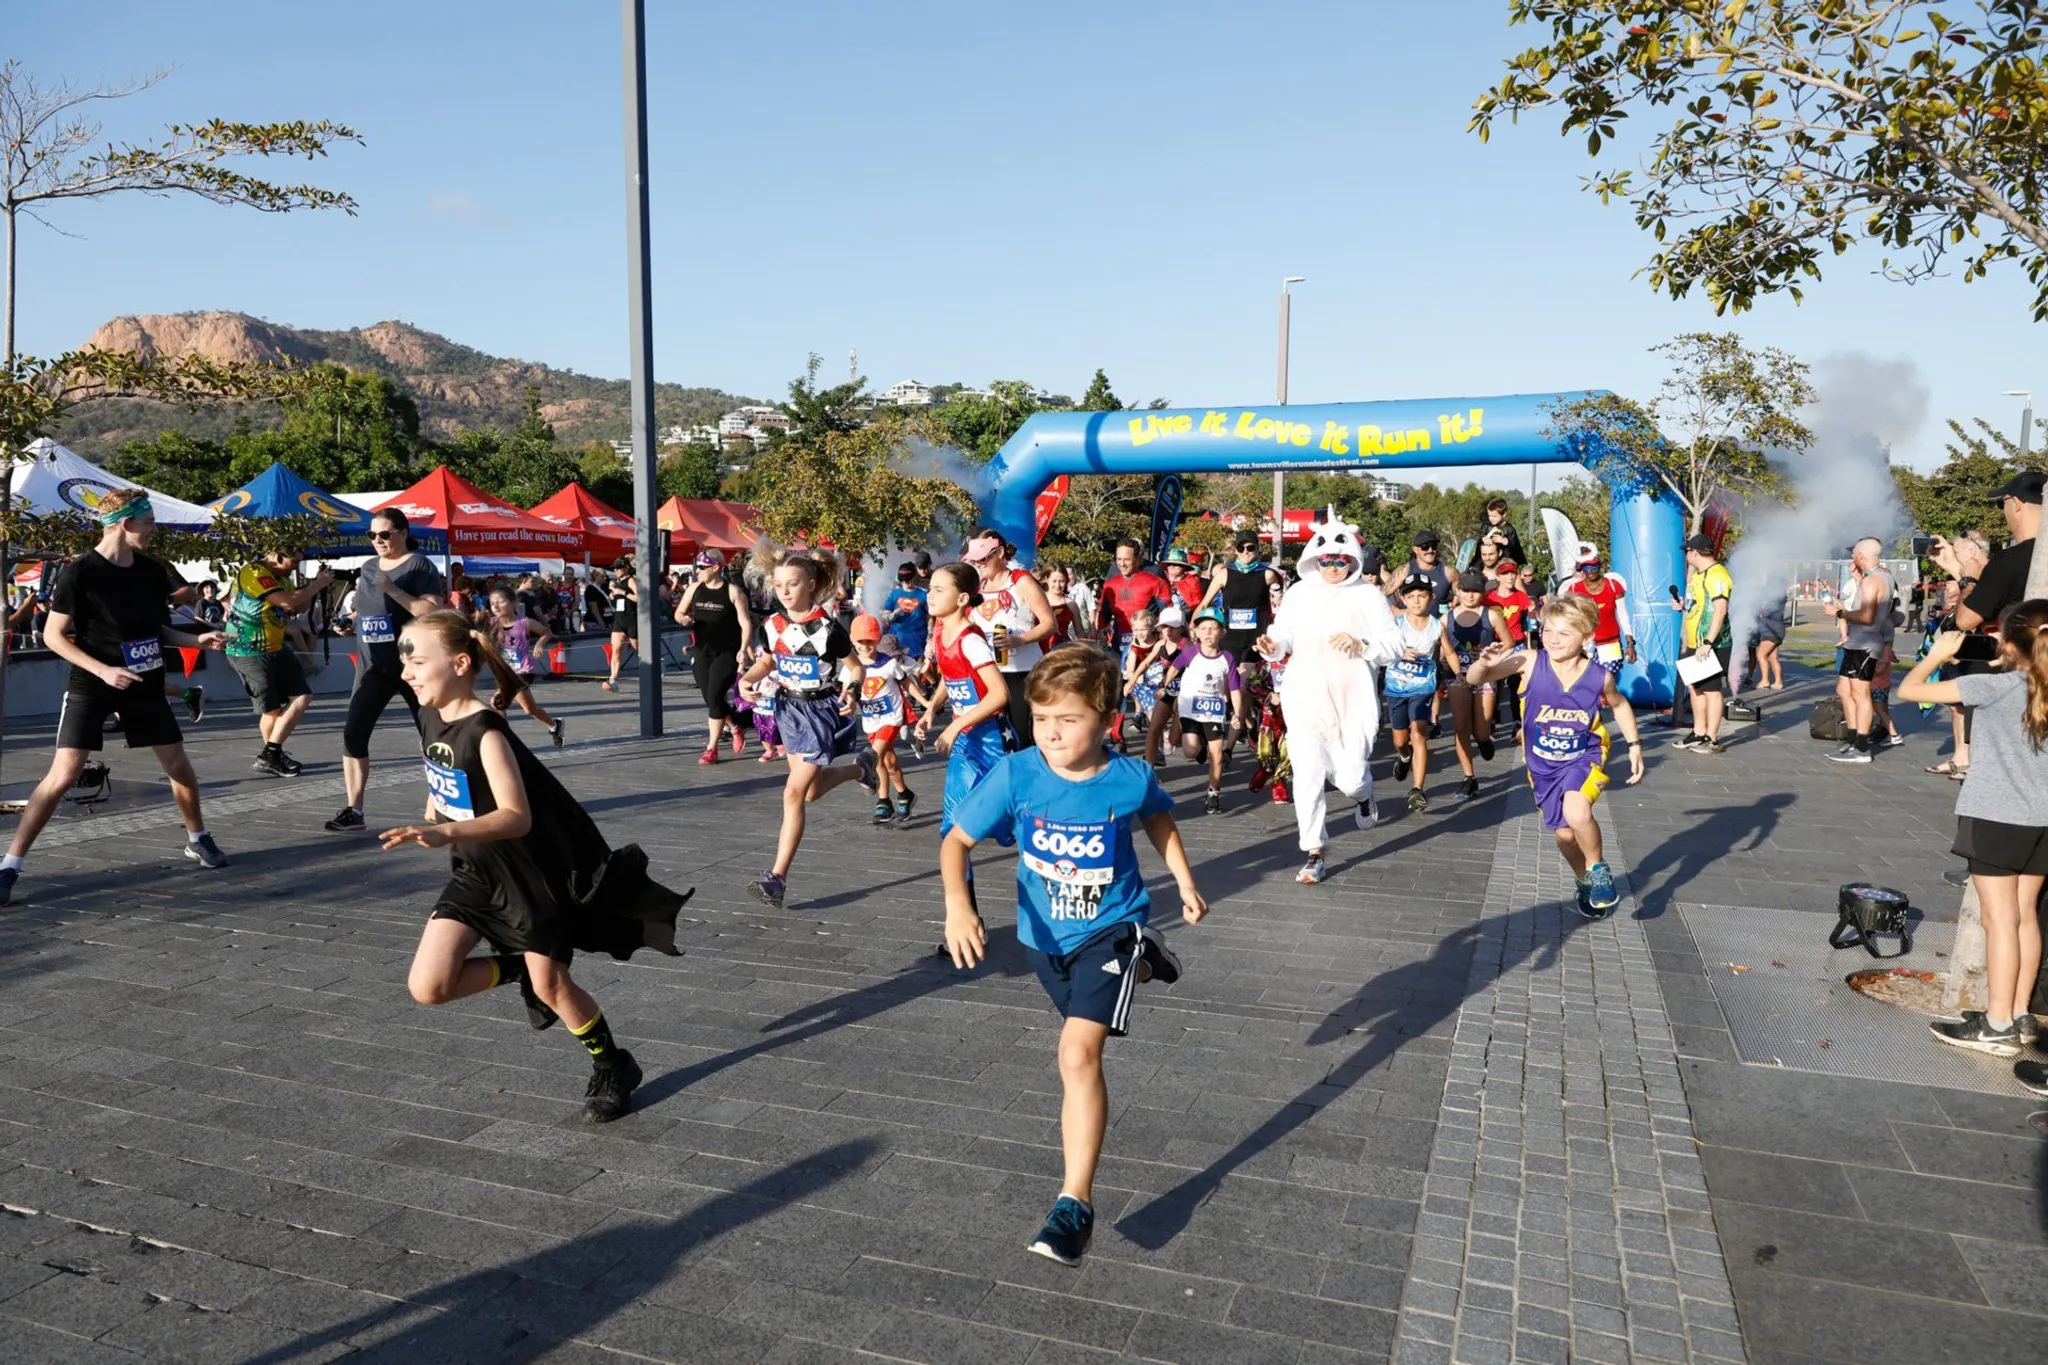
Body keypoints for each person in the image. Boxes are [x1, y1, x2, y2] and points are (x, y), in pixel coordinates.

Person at [940, 646, 1207, 1265]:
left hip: (1110, 927)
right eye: (1041, 718)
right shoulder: (1016, 774)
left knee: (1077, 1054)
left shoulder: (1130, 777)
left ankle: (1074, 1204)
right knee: (1078, 1043)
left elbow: (1158, 819)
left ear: (1107, 721)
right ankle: (1145, 962)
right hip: (1043, 941)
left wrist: (1185, 881)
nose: (1051, 732)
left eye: (1068, 719)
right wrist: (957, 905)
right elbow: (956, 841)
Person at [382, 610, 689, 1122]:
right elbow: (443, 774)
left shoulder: (487, 732)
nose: (405, 672)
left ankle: (613, 1064)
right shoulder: (429, 715)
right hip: (475, 874)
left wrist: (445, 832)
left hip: (528, 883)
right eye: (403, 662)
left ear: (459, 664)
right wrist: (434, 811)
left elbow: (516, 816)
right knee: (428, 987)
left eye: (416, 661)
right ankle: (516, 968)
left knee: (553, 987)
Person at [0, 491, 230, 907]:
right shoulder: (80, 572)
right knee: (63, 774)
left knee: (178, 764)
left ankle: (198, 838)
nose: (154, 529)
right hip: (93, 681)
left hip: (144, 679)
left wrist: (197, 640)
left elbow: (157, 631)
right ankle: (10, 865)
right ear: (126, 524)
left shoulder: (152, 571)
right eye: (149, 522)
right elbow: (53, 636)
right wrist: (103, 670)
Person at [1898, 610, 2048, 1079]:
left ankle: (1997, 1025)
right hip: (2043, 820)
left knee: (1999, 920)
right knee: (2025, 914)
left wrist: (1938, 655)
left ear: (2010, 644)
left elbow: (1910, 691)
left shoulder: (1993, 686)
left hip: (1996, 817)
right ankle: (2019, 1013)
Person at [1467, 596, 1646, 918]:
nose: (1553, 639)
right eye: (1548, 630)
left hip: (1584, 755)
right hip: (1542, 765)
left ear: (1586, 637)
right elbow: (1474, 679)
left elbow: (1619, 704)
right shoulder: (1530, 661)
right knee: (1564, 835)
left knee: (1577, 812)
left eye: (1564, 633)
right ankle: (1584, 880)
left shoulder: (1599, 676)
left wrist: (1634, 744)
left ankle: (1598, 870)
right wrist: (1484, 663)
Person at [1255, 512, 1403, 885]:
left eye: (1340, 561)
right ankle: (1314, 852)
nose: (1333, 567)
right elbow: (1282, 634)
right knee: (1307, 774)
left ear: (1352, 559)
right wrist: (1272, 646)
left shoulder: (1368, 595)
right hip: (1305, 697)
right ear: (1314, 558)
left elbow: (1395, 645)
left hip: (1353, 701)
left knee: (1350, 779)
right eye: (1326, 561)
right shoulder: (1299, 593)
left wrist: (1361, 644)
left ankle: (1364, 794)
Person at [736, 552, 874, 909]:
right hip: (788, 709)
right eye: (779, 585)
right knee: (810, 793)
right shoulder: (771, 625)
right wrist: (748, 680)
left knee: (792, 793)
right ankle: (860, 769)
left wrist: (852, 690)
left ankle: (776, 879)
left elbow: (856, 667)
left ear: (811, 585)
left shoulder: (828, 629)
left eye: (792, 584)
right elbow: (769, 661)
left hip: (819, 713)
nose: (784, 591)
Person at [325, 509, 446, 834]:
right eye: (372, 535)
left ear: (403, 533)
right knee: (353, 733)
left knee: (434, 735)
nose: (377, 540)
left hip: (413, 666)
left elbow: (431, 610)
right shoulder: (368, 568)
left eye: (384, 534)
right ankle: (354, 810)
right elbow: (368, 610)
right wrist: (349, 623)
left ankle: (444, 801)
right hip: (372, 666)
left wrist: (393, 589)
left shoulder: (419, 565)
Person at [920, 563, 1013, 912]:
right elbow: (952, 675)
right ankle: (967, 917)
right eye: (930, 587)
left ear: (961, 599)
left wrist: (955, 725)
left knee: (1012, 828)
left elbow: (999, 694)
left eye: (938, 589)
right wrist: (932, 707)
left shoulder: (971, 640)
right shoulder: (940, 633)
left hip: (993, 740)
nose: (930, 595)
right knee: (952, 828)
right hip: (966, 743)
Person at [226, 549, 334, 777]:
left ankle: (271, 754)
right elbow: (286, 601)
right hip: (249, 649)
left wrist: (314, 586)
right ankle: (272, 755)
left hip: (276, 647)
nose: (295, 566)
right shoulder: (254, 571)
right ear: (274, 554)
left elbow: (297, 607)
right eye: (293, 561)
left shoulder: (282, 578)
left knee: (302, 696)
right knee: (272, 710)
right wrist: (316, 586)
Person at [963, 532, 1057, 748]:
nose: (979, 565)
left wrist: (1019, 640)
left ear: (999, 553)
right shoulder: (976, 587)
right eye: (974, 561)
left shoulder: (1021, 581)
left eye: (983, 559)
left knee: (1022, 736)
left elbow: (1049, 624)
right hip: (988, 673)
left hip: (1022, 672)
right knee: (994, 738)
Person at [1161, 608, 1244, 814]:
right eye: (1203, 628)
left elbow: (1235, 690)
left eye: (1213, 628)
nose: (1208, 633)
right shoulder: (1191, 653)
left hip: (1214, 710)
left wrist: (1237, 714)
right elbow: (1174, 668)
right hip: (1190, 708)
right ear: (1196, 632)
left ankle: (1213, 794)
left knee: (1217, 756)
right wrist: (1165, 687)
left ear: (1222, 632)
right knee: (1190, 752)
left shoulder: (1227, 658)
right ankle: (1200, 745)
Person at [1821, 536, 1893, 764]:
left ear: (1861, 555)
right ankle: (1853, 740)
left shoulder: (1872, 580)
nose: (1852, 558)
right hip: (1857, 642)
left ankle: (1861, 748)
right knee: (1845, 690)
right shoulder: (1882, 576)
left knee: (1861, 695)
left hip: (1865, 644)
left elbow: (1867, 616)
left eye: (1854, 554)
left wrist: (1838, 613)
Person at [676, 549, 752, 763]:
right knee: (710, 699)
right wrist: (683, 619)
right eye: (697, 567)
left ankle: (711, 748)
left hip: (727, 652)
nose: (697, 571)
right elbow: (679, 613)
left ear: (716, 567)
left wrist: (743, 649)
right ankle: (735, 726)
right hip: (702, 650)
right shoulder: (694, 589)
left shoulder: (733, 592)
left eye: (702, 567)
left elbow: (746, 623)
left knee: (716, 694)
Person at [1440, 571, 1504, 801]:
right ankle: (1469, 777)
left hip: (1484, 676)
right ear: (1458, 591)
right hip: (1457, 677)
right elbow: (1442, 648)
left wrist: (1495, 655)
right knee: (1461, 727)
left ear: (1482, 592)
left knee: (1481, 728)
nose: (1470, 595)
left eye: (1475, 591)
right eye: (1465, 590)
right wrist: (1442, 659)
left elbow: (1509, 642)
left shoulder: (1492, 615)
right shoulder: (1445, 619)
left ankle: (1484, 739)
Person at [1385, 574, 1444, 813]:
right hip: (1397, 687)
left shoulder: (1436, 625)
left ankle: (1417, 789)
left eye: (1422, 596)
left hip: (1423, 687)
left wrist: (1459, 674)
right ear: (1402, 599)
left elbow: (1449, 651)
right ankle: (1404, 757)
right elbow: (1381, 647)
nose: (1417, 601)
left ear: (1432, 598)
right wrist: (1400, 652)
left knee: (1419, 732)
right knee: (1400, 740)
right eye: (1411, 596)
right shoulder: (1395, 624)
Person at [850, 614, 916, 824]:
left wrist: (926, 702)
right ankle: (895, 797)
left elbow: (905, 681)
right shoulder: (852, 666)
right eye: (860, 641)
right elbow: (846, 689)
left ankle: (863, 771)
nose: (865, 645)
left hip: (891, 717)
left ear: (877, 640)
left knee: (873, 756)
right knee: (887, 761)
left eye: (870, 640)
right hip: (871, 719)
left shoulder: (888, 664)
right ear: (853, 641)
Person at [1674, 534, 1735, 756]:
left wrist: (1708, 642)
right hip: (1695, 642)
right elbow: (1700, 604)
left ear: (1695, 553)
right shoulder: (1698, 575)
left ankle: (1712, 738)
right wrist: (1684, 605)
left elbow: (1720, 610)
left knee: (1712, 691)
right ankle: (1698, 732)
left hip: (1712, 644)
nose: (1686, 555)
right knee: (1695, 687)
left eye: (1687, 551)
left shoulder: (1717, 574)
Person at [484, 587, 567, 748]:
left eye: (500, 602)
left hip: (523, 670)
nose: (496, 606)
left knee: (497, 703)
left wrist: (539, 644)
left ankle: (504, 741)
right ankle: (554, 725)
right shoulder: (492, 623)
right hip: (506, 671)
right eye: (493, 603)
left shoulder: (525, 623)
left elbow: (546, 632)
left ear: (513, 603)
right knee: (530, 709)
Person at [1197, 530, 1282, 668]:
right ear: (1236, 551)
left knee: (1245, 678)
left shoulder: (1268, 575)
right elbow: (1204, 604)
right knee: (1231, 678)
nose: (1245, 552)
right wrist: (1194, 627)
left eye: (1250, 548)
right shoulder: (1224, 574)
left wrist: (1278, 602)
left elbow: (1277, 606)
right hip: (1230, 639)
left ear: (1257, 549)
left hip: (1257, 639)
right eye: (1241, 548)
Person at [1093, 539, 1171, 653]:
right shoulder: (1110, 585)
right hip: (1119, 645)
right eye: (1119, 559)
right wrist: (1101, 633)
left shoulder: (1156, 583)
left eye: (1127, 559)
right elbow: (1103, 614)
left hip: (1149, 647)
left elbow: (1168, 613)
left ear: (1138, 560)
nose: (1122, 564)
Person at [1484, 560, 1535, 732]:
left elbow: (1528, 623)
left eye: (1513, 573)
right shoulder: (1488, 598)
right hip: (1496, 646)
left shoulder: (1521, 596)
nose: (1510, 577)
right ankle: (1491, 720)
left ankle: (1517, 723)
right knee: (1494, 686)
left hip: (1517, 645)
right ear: (1498, 576)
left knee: (1516, 686)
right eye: (1505, 574)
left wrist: (1529, 646)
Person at [1566, 548, 1634, 675]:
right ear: (1582, 569)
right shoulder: (1574, 589)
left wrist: (1630, 644)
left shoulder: (1613, 585)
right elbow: (1569, 620)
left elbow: (1623, 616)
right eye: (1586, 567)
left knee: (1607, 682)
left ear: (1600, 566)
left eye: (1594, 567)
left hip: (1610, 644)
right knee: (1586, 683)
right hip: (1584, 646)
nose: (1590, 571)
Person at [1120, 608, 1171, 761]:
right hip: (1143, 686)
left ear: (1152, 627)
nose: (1139, 633)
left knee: (1161, 716)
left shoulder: (1160, 639)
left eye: (1143, 629)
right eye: (1136, 630)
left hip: (1161, 681)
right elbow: (1130, 670)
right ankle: (1158, 750)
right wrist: (1135, 678)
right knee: (1153, 718)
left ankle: (1165, 735)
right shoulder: (1134, 648)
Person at [600, 558, 641, 691]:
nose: (616, 570)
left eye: (618, 568)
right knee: (616, 649)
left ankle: (652, 671)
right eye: (614, 568)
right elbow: (618, 602)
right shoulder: (617, 582)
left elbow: (639, 598)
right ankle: (613, 680)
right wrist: (613, 596)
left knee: (638, 651)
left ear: (626, 568)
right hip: (619, 619)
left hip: (631, 619)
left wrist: (623, 592)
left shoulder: (631, 580)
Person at [880, 560, 930, 664]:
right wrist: (893, 615)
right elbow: (885, 615)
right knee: (898, 666)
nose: (905, 582)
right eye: (902, 580)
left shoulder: (923, 594)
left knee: (918, 666)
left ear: (914, 577)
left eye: (907, 580)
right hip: (898, 636)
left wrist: (930, 634)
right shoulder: (894, 594)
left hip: (918, 636)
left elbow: (928, 617)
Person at [1751, 577, 1788, 690]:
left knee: (1761, 655)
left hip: (1771, 630)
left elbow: (1767, 611)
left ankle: (1765, 681)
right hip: (1775, 629)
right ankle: (1778, 682)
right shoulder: (1780, 597)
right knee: (1772, 657)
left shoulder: (1775, 599)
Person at [1404, 529, 1452, 612]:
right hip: (1411, 620)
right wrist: (1397, 610)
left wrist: (1452, 605)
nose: (1430, 550)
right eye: (1425, 546)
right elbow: (1382, 595)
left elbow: (1464, 596)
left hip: (1439, 620)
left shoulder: (1449, 572)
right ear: (1415, 549)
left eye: (1433, 546)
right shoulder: (1405, 570)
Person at [1475, 496, 1528, 568]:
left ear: (1504, 514)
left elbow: (1515, 549)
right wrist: (1483, 538)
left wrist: (1504, 541)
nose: (1491, 519)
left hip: (1504, 564)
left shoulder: (1509, 529)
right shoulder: (1486, 525)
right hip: (1486, 563)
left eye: (1494, 516)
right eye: (1489, 515)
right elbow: (1481, 538)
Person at [1159, 547, 1204, 613]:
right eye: (1169, 564)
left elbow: (1196, 605)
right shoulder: (1161, 579)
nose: (1172, 566)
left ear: (1183, 567)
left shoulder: (1192, 582)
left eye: (1176, 564)